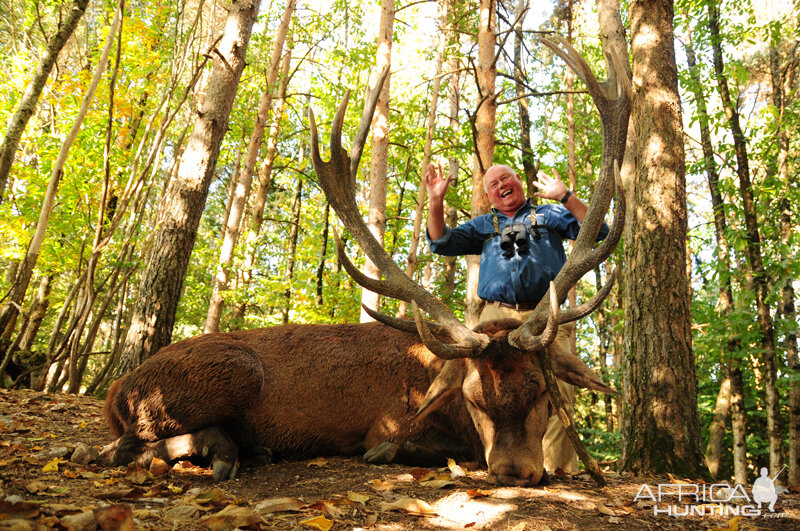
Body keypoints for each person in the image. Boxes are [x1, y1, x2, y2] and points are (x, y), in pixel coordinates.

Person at [424, 162, 609, 474]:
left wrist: (564, 195)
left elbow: (597, 229)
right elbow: (440, 241)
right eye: (493, 184)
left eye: (505, 178)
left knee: (556, 388)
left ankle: (558, 471)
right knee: (490, 390)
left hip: (543, 314)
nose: (500, 185)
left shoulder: (550, 214)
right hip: (496, 315)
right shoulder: (482, 224)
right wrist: (435, 202)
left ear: (518, 181)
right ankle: (501, 465)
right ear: (489, 197)